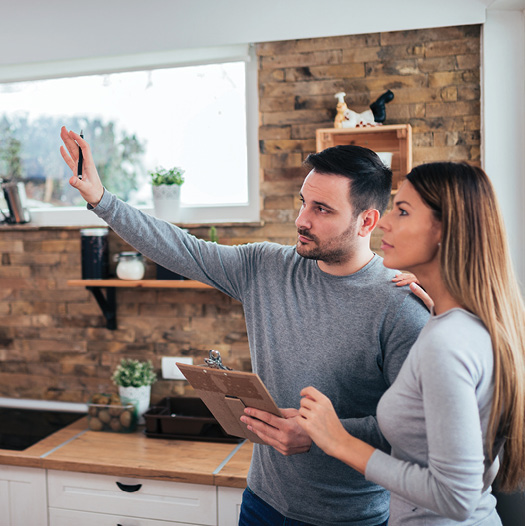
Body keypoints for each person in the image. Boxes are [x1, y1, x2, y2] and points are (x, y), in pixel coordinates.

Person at [60, 126, 429, 526]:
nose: (301, 220)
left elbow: (416, 428)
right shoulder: (265, 267)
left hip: (350, 518)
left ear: (367, 221)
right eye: (303, 203)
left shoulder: (400, 305)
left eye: (322, 209)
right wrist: (101, 199)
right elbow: (182, 249)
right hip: (261, 504)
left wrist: (323, 434)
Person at [298, 162, 525, 525]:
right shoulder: (467, 325)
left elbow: (456, 496)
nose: (384, 222)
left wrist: (338, 440)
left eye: (403, 211)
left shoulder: (447, 342)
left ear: (444, 230)